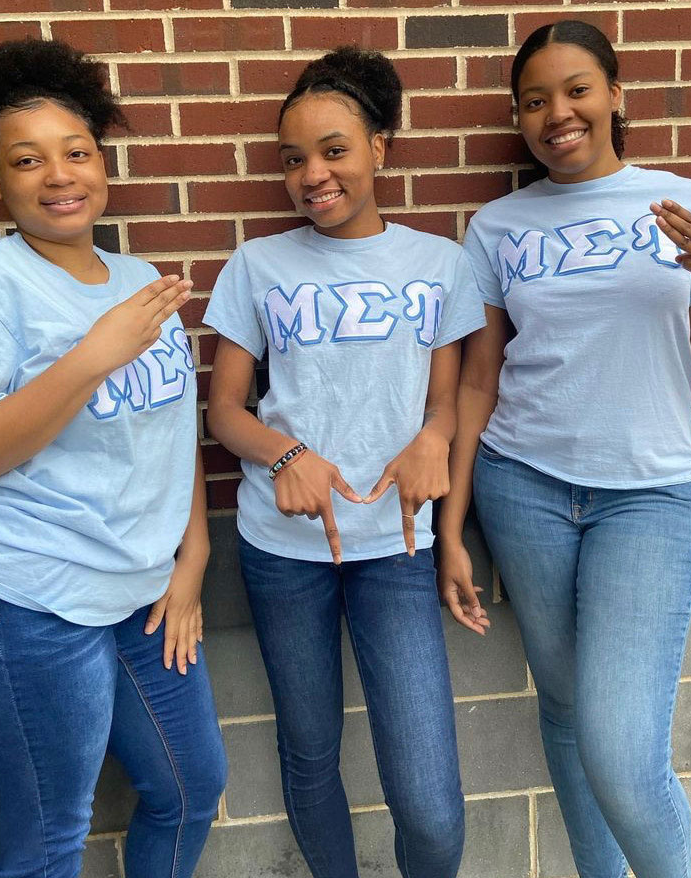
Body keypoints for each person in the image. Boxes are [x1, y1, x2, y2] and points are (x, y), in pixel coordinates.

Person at [437, 20, 691, 878]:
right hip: (525, 487)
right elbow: (480, 380)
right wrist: (455, 514)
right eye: (536, 100)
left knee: (622, 752)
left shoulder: (686, 204)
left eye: (578, 89)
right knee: (562, 706)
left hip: (648, 498)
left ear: (616, 94)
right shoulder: (497, 227)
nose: (559, 113)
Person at [203, 46, 487, 878]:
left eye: (334, 150)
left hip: (396, 551)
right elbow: (223, 408)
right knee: (311, 754)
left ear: (380, 150)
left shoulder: (439, 263)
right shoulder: (258, 265)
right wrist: (287, 451)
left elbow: (444, 403)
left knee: (428, 800)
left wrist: (433, 441)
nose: (312, 174)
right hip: (282, 550)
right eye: (294, 159)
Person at [0, 38, 227, 878]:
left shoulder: (139, 279)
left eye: (76, 151)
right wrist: (90, 358)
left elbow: (169, 430)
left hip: (145, 599)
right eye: (27, 160)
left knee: (189, 792)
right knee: (45, 846)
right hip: (27, 600)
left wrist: (194, 556)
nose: (59, 174)